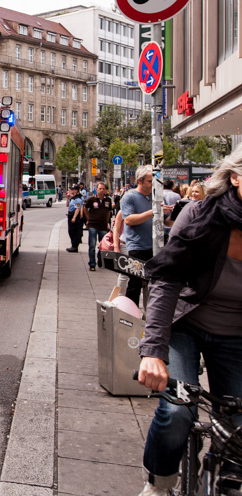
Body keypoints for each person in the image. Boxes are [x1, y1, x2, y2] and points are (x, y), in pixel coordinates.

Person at [135, 145, 242, 496]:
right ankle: (160, 482)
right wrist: (153, 351)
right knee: (178, 411)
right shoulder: (199, 215)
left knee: (238, 426)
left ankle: (226, 476)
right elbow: (167, 281)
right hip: (186, 326)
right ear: (235, 178)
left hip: (236, 337)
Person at [121, 166, 158, 306]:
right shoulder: (130, 197)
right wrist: (152, 212)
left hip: (154, 246)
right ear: (139, 181)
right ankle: (131, 312)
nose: (153, 184)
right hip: (137, 247)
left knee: (154, 283)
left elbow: (165, 221)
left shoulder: (155, 196)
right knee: (135, 283)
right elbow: (128, 220)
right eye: (150, 181)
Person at [82, 181, 114, 271]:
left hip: (103, 226)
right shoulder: (92, 199)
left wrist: (107, 222)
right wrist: (88, 219)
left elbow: (109, 211)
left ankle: (100, 261)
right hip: (93, 225)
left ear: (106, 190)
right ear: (96, 189)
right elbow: (85, 208)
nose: (101, 190)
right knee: (92, 245)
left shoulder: (108, 200)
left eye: (103, 189)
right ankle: (92, 264)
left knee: (102, 246)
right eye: (100, 188)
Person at [65, 185, 85, 252]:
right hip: (70, 214)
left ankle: (75, 246)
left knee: (74, 231)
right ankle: (73, 245)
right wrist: (67, 198)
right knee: (70, 231)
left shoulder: (78, 198)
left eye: (72, 189)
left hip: (74, 215)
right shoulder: (72, 198)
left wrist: (74, 217)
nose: (71, 191)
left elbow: (78, 208)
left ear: (76, 190)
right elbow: (67, 205)